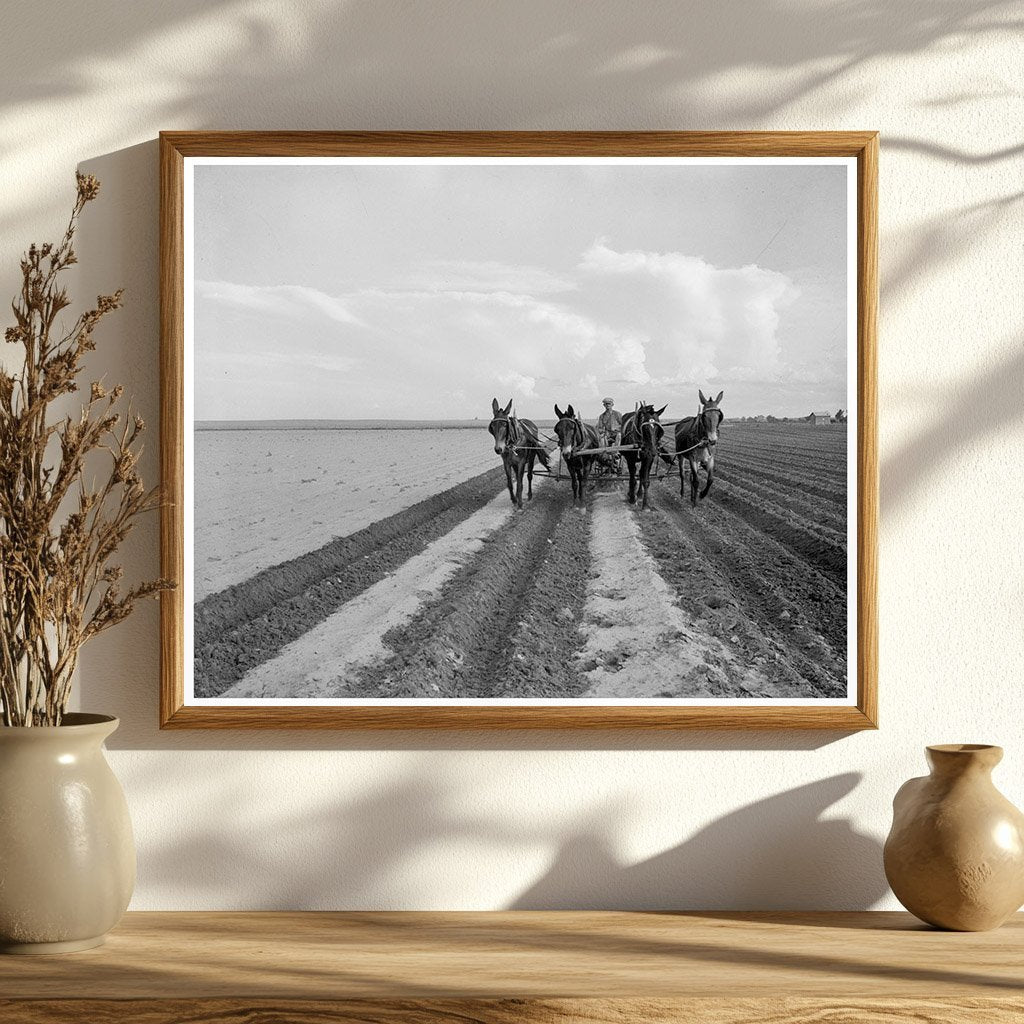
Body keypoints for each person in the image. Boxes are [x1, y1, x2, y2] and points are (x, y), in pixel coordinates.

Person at [597, 397, 622, 473]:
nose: (608, 405)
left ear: (612, 404)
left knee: (619, 435)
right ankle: (604, 455)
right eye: (606, 404)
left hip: (616, 433)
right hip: (607, 434)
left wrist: (617, 429)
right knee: (602, 438)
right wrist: (603, 431)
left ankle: (616, 453)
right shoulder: (602, 416)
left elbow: (622, 424)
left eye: (609, 404)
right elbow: (600, 428)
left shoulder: (617, 414)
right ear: (604, 405)